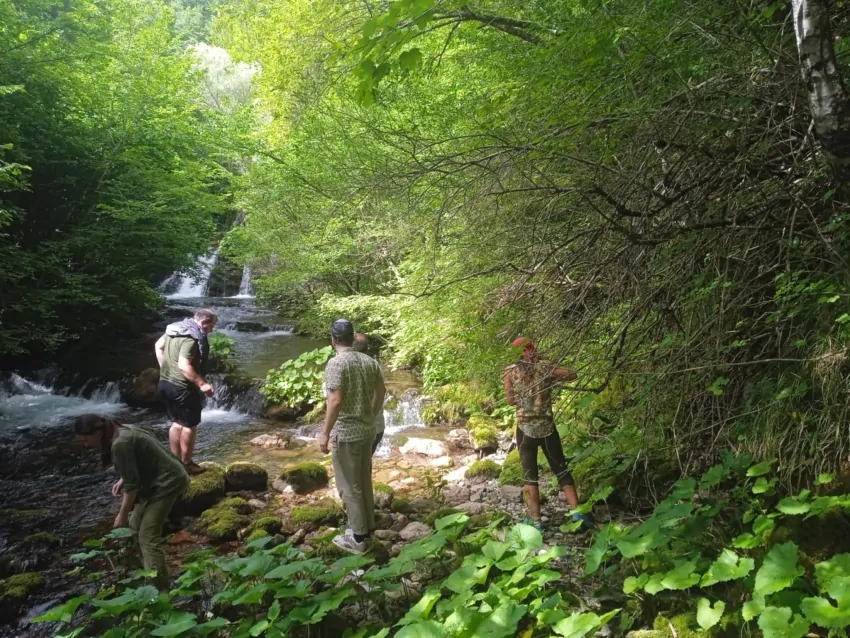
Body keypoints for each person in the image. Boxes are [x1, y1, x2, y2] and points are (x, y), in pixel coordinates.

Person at [73, 413, 189, 590]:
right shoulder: (118, 430)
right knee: (134, 528)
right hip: (154, 481)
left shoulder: (120, 443)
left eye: (86, 440)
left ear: (97, 433)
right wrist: (123, 479)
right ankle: (146, 574)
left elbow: (132, 488)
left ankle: (159, 588)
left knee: (147, 537)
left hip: (168, 483)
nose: (86, 445)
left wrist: (121, 514)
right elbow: (137, 463)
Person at [503, 337, 594, 532]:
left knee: (530, 476)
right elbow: (572, 374)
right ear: (532, 350)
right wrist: (550, 373)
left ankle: (536, 522)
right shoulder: (545, 367)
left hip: (525, 430)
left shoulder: (510, 371)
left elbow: (510, 401)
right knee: (561, 469)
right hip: (547, 428)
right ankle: (577, 513)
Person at [318, 319, 385, 554]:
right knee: (363, 479)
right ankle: (368, 526)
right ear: (351, 336)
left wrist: (325, 433)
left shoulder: (336, 363)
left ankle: (358, 538)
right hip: (367, 430)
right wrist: (371, 413)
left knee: (348, 486)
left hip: (346, 432)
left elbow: (335, 401)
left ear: (333, 339)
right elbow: (382, 392)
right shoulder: (369, 361)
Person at [154, 309, 217, 474]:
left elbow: (158, 346)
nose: (212, 330)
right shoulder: (192, 338)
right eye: (212, 326)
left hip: (164, 384)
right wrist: (202, 384)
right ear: (204, 323)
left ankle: (175, 462)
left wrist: (164, 368)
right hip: (182, 388)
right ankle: (187, 464)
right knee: (190, 425)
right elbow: (183, 365)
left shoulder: (174, 329)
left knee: (176, 422)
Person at [352, 332, 385, 455]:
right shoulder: (375, 365)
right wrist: (371, 417)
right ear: (367, 347)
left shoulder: (344, 365)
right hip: (377, 428)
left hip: (355, 432)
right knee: (365, 465)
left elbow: (335, 400)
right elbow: (381, 393)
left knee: (351, 470)